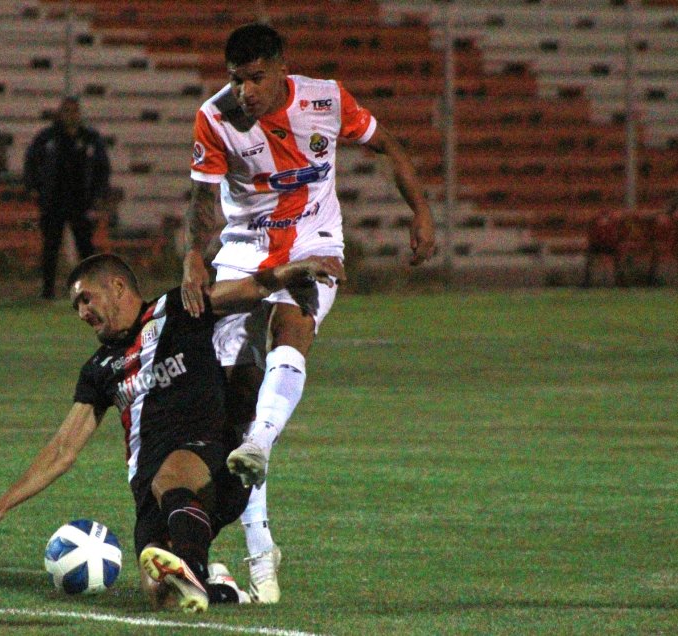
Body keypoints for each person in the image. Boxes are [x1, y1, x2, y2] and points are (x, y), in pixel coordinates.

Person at [180, 23, 437, 603]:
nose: (244, 90)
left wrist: (420, 213)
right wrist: (195, 256)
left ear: (280, 68)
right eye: (235, 79)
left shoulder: (325, 98)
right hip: (243, 251)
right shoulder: (214, 117)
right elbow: (202, 200)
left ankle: (264, 443)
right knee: (235, 410)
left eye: (255, 78)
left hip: (314, 243)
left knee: (291, 331)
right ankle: (259, 544)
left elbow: (387, 145)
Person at [0, 252, 345, 614]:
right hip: (150, 487)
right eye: (76, 307)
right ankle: (223, 588)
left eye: (86, 299)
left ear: (117, 287)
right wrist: (2, 505)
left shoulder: (178, 308)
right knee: (162, 597)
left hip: (212, 458)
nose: (82, 312)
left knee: (173, 476)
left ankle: (192, 566)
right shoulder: (99, 369)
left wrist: (299, 268)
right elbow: (63, 449)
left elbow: (253, 286)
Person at [23, 96, 111, 299]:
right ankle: (47, 292)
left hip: (81, 202)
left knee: (86, 248)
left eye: (74, 112)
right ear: (60, 114)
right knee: (51, 247)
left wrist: (98, 194)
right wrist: (33, 187)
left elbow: (102, 168)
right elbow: (31, 162)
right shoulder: (48, 138)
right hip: (53, 201)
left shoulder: (89, 138)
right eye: (67, 111)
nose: (71, 116)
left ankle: (92, 291)